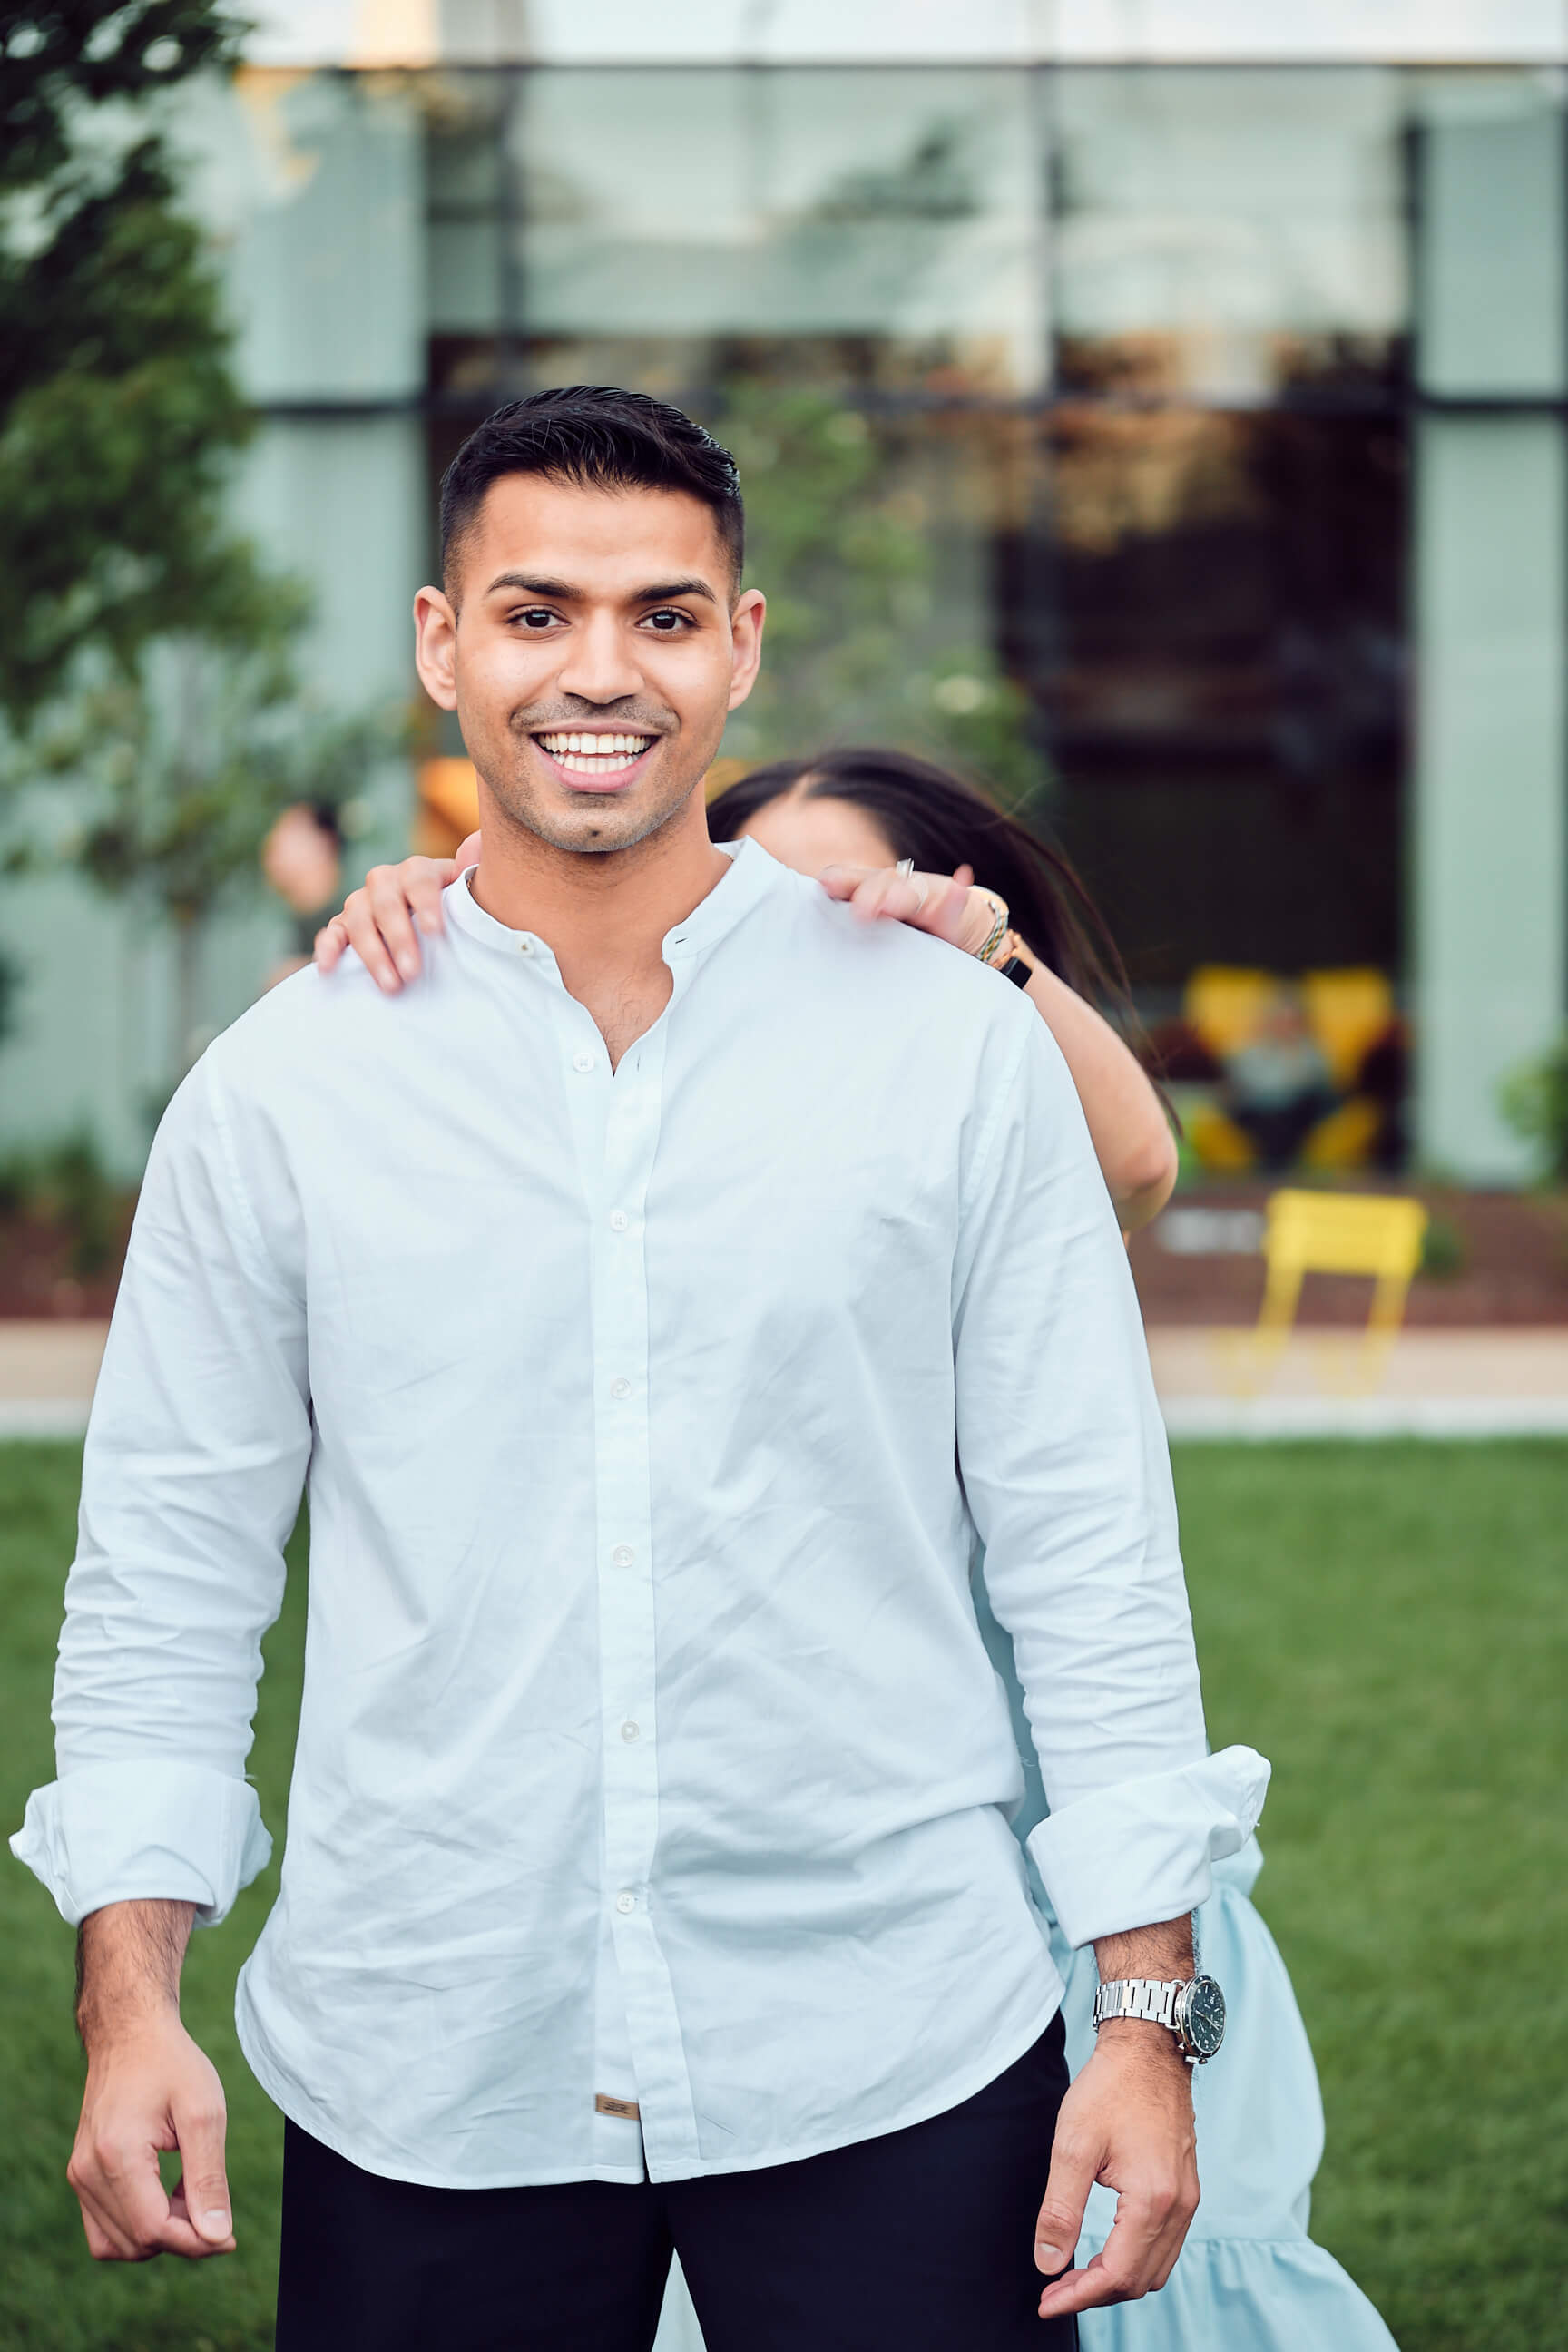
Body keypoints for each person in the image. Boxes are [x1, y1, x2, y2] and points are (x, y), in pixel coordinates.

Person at [12, 387, 1269, 2352]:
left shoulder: (940, 1051)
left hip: (891, 2050)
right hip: (429, 2059)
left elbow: (1090, 1555)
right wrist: (132, 1998)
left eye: (664, 616)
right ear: (442, 644)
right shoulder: (284, 1092)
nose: (599, 673)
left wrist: (1146, 2019)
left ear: (742, 647)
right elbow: (168, 1577)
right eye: (535, 613)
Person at [334, 753, 1401, 2352]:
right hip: (753, 1875)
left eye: (847, 905)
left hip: (1031, 1848)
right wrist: (456, 927)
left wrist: (978, 957)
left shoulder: (980, 1109)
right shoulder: (694, 1157)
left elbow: (1137, 1167)